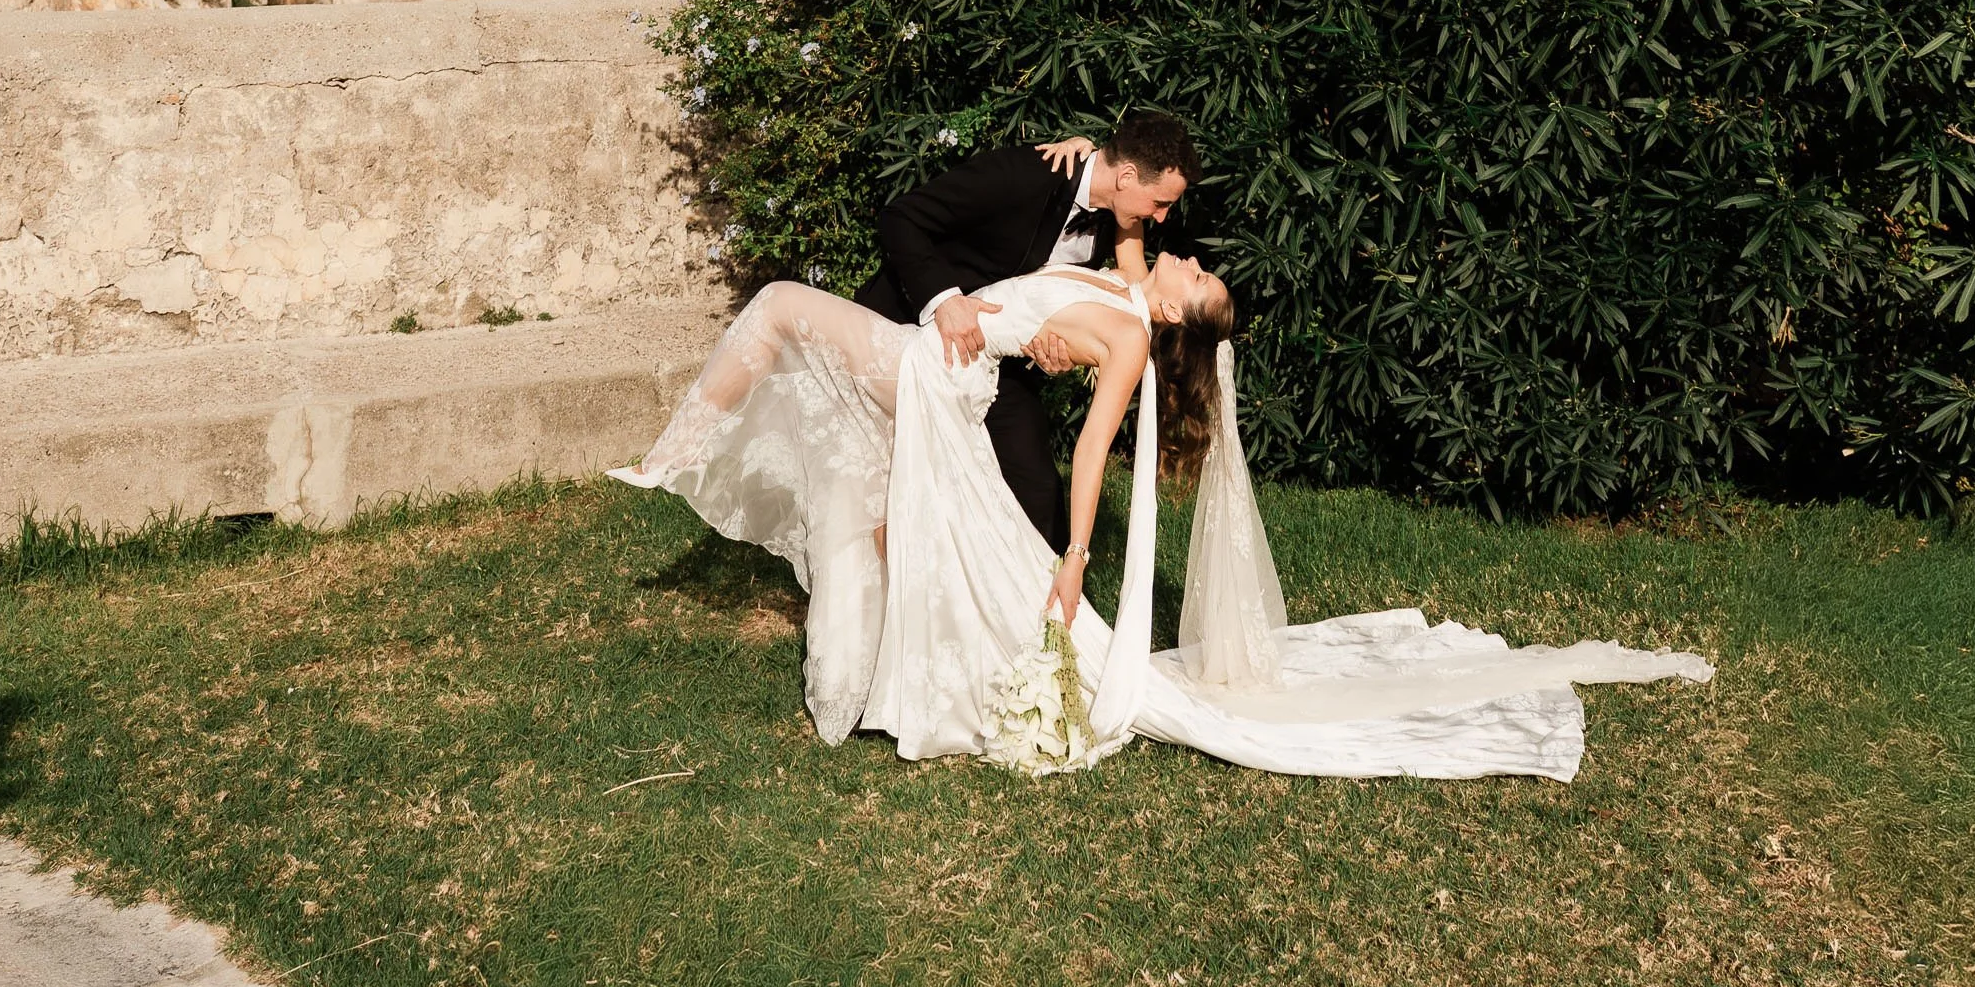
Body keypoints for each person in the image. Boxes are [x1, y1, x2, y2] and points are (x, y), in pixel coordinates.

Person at [611, 238, 1714, 781]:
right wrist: (1070, 170)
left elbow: (1094, 445)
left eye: (1195, 278)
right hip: (947, 369)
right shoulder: (1122, 282)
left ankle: (670, 461)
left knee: (775, 310)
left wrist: (1078, 550)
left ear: (1182, 317)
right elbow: (1114, 207)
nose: (1186, 258)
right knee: (869, 526)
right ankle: (844, 689)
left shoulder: (1135, 337)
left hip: (932, 376)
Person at [854, 109, 1198, 549]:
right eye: (1161, 203)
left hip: (999, 363)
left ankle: (1041, 607)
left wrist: (1057, 355)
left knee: (1039, 493)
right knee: (893, 486)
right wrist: (944, 299)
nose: (1163, 217)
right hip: (910, 323)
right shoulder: (1026, 173)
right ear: (1127, 176)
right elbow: (900, 218)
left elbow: (1123, 306)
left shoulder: (1118, 221)